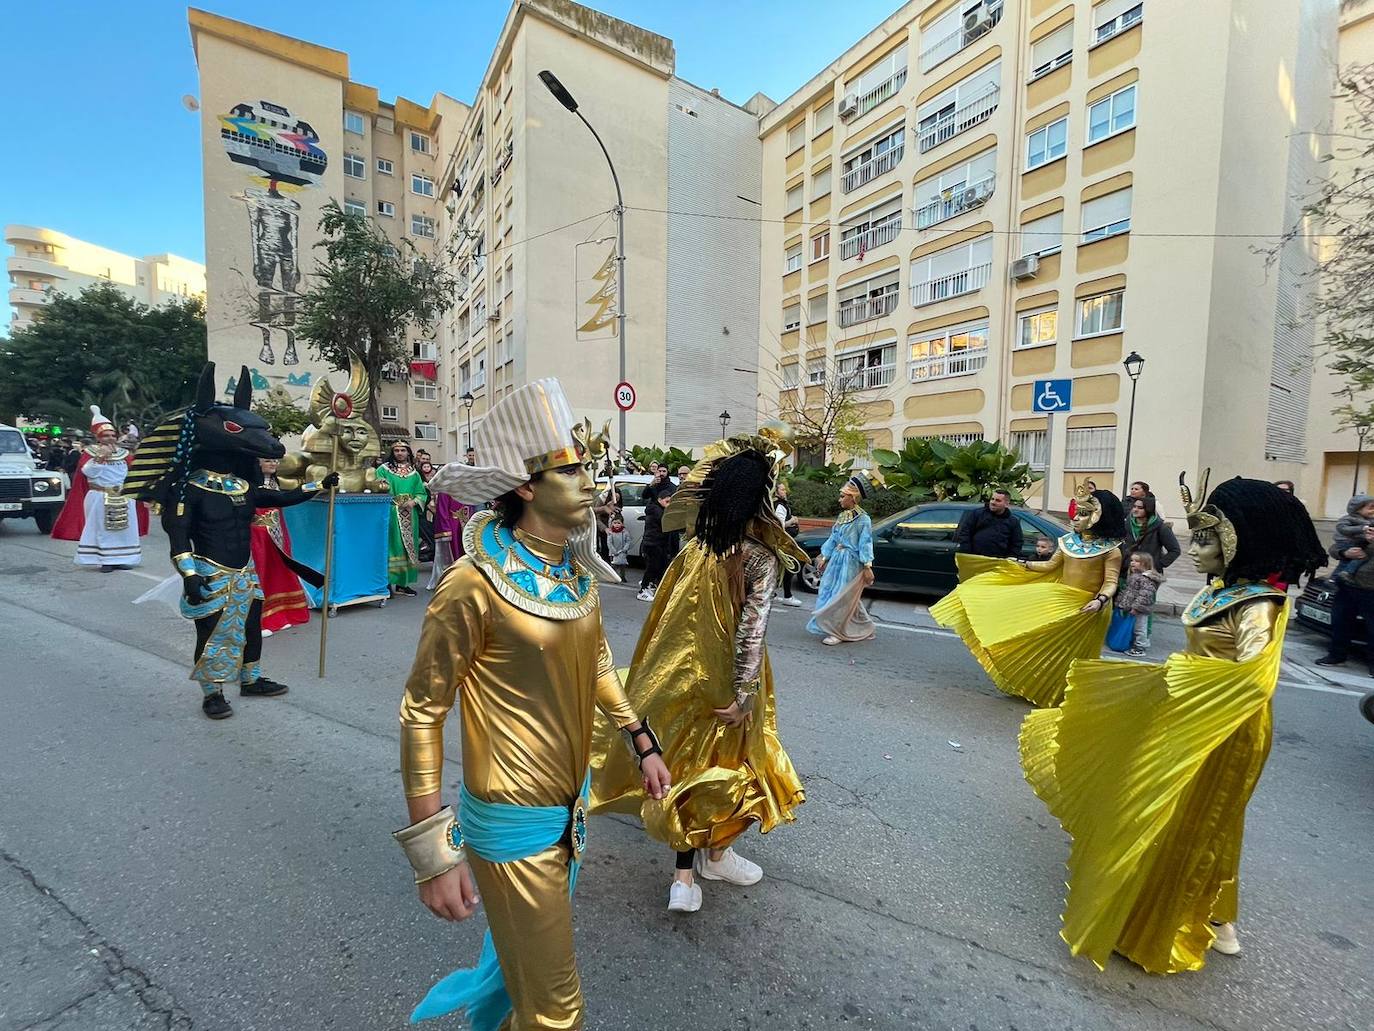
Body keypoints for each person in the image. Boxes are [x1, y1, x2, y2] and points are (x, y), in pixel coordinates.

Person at [395, 379, 670, 1029]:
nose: (589, 481)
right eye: (572, 467)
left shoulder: (575, 576)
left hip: (570, 813)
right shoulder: (471, 585)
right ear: (525, 484)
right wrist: (433, 850)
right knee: (556, 1013)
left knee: (527, 991)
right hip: (509, 825)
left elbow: (597, 664)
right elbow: (422, 708)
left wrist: (642, 739)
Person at [1020, 475, 1325, 973]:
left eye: (1206, 539)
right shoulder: (1227, 590)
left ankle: (1182, 919)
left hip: (1224, 725)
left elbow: (1254, 680)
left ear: (1238, 542)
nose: (1195, 549)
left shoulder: (1258, 608)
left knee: (1198, 818)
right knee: (1153, 801)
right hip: (1185, 707)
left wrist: (1181, 676)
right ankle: (1196, 909)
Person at [592, 425, 808, 914]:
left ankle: (685, 879)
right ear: (760, 499)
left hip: (679, 677)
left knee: (684, 765)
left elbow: (663, 618)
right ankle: (716, 855)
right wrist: (745, 691)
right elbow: (752, 631)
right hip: (728, 682)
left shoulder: (696, 548)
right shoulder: (759, 559)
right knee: (728, 768)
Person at [126, 363, 333, 720]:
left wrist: (318, 486)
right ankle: (212, 692)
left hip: (245, 573)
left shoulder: (242, 486)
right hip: (210, 572)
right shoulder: (188, 489)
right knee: (212, 634)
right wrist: (190, 576)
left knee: (252, 625)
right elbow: (178, 538)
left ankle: (251, 678)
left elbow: (279, 499)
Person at [931, 485, 1126, 708]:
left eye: (1083, 513)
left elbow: (1110, 583)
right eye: (1076, 512)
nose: (1075, 518)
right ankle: (1034, 682)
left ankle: (1063, 692)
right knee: (1042, 642)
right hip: (1060, 599)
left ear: (1098, 518)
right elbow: (1050, 565)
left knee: (1072, 652)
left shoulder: (1111, 550)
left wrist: (1100, 600)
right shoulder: (1068, 541)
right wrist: (1023, 564)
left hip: (1086, 608)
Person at [56, 407, 145, 570]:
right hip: (100, 495)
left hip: (123, 497)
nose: (110, 438)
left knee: (125, 529)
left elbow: (134, 472)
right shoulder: (90, 453)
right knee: (103, 529)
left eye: (112, 435)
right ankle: (105, 560)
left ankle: (123, 558)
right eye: (106, 435)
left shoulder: (124, 454)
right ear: (99, 437)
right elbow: (87, 471)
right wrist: (101, 457)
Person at [807, 474, 876, 646]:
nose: (840, 500)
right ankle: (865, 626)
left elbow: (866, 543)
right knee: (839, 594)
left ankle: (837, 631)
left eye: (843, 496)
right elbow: (833, 538)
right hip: (838, 560)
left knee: (842, 596)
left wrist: (867, 565)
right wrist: (825, 555)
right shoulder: (842, 517)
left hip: (851, 562)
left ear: (853, 498)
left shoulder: (863, 519)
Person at [249, 456, 311, 635]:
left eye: (276, 460)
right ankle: (260, 619)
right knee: (261, 573)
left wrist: (318, 485)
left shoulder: (276, 482)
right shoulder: (249, 485)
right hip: (257, 536)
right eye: (268, 460)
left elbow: (291, 497)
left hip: (277, 532)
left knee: (281, 571)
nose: (273, 463)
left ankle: (283, 612)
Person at [1316, 510, 1374, 674]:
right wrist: (1345, 553)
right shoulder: (1365, 524)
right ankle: (1336, 655)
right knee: (1341, 621)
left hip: (1370, 588)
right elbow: (1336, 547)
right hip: (1348, 584)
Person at [377, 441, 428, 596]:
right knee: (390, 547)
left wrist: (413, 502)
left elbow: (422, 493)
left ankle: (402, 584)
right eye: (397, 450)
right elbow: (377, 487)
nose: (400, 453)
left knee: (408, 549)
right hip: (390, 513)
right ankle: (385, 584)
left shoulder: (414, 472)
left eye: (403, 450)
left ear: (408, 453)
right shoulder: (383, 470)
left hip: (409, 515)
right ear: (393, 453)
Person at [1115, 551, 1163, 656]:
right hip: (1132, 607)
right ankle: (1136, 644)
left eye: (1137, 561)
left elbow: (1145, 595)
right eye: (1132, 560)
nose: (1132, 563)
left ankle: (1140, 647)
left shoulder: (1146, 578)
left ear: (1145, 563)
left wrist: (1136, 607)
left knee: (1140, 628)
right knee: (1134, 627)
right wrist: (1120, 602)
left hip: (1140, 609)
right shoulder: (1135, 576)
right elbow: (1127, 591)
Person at [954, 489, 1024, 558]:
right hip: (974, 559)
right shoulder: (977, 514)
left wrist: (1011, 557)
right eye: (992, 499)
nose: (993, 502)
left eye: (998, 500)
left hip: (998, 563)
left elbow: (1017, 542)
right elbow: (965, 533)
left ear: (1006, 504)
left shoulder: (1013, 522)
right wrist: (967, 552)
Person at [1121, 495, 1181, 576]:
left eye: (1140, 508)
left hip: (1149, 573)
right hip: (1126, 571)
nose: (1135, 510)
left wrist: (1157, 565)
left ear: (1148, 509)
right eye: (1134, 506)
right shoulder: (1126, 524)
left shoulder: (1160, 527)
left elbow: (1175, 550)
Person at [637, 469, 673, 601]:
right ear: (659, 499)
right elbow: (664, 522)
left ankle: (650, 585)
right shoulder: (655, 510)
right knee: (652, 567)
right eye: (667, 501)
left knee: (658, 566)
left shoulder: (660, 509)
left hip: (658, 544)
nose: (668, 504)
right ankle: (643, 590)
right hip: (652, 544)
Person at [1330, 494, 1374, 584]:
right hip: (1351, 545)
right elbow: (1334, 549)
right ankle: (1335, 579)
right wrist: (1344, 553)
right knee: (1350, 561)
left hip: (1365, 584)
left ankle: (1344, 574)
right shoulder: (1351, 519)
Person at [774, 480, 803, 606]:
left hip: (784, 542)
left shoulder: (782, 505)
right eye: (782, 489)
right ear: (776, 492)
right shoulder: (780, 505)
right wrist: (792, 520)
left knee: (778, 568)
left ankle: (773, 594)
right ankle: (787, 596)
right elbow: (779, 525)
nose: (785, 492)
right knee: (790, 567)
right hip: (783, 542)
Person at [606, 514, 631, 582]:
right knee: (613, 565)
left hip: (622, 552)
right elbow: (609, 543)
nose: (617, 525)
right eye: (615, 523)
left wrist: (625, 549)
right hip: (613, 553)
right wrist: (613, 551)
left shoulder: (625, 532)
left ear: (622, 524)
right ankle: (613, 577)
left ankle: (622, 576)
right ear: (612, 524)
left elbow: (628, 541)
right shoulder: (611, 533)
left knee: (623, 565)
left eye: (618, 523)